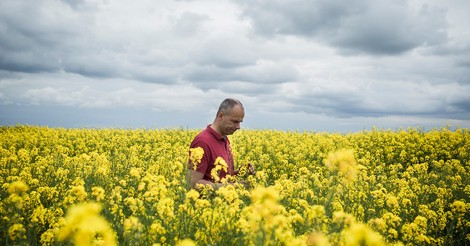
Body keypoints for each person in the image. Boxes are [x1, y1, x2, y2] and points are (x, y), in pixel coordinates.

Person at [187, 98, 255, 189]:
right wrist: (234, 186)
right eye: (235, 121)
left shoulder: (224, 139)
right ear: (221, 116)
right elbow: (193, 183)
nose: (238, 127)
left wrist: (240, 172)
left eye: (240, 122)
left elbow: (221, 177)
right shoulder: (202, 142)